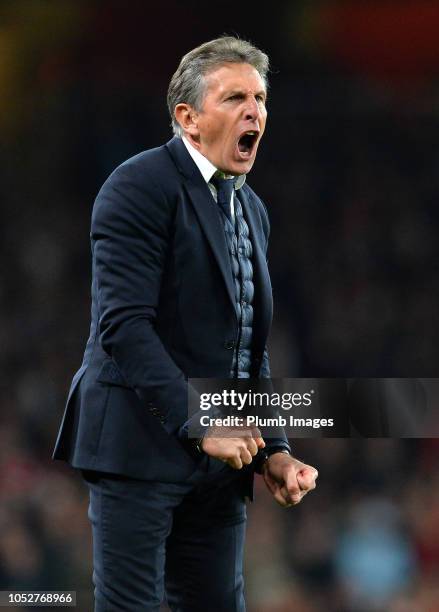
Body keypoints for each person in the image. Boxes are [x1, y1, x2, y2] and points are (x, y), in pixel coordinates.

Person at [53, 36, 318, 612]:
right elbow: (123, 327)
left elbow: (248, 346)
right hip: (137, 445)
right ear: (188, 118)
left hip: (221, 458)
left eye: (260, 98)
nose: (254, 111)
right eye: (234, 98)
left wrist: (273, 446)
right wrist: (201, 422)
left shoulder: (251, 208)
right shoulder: (139, 185)